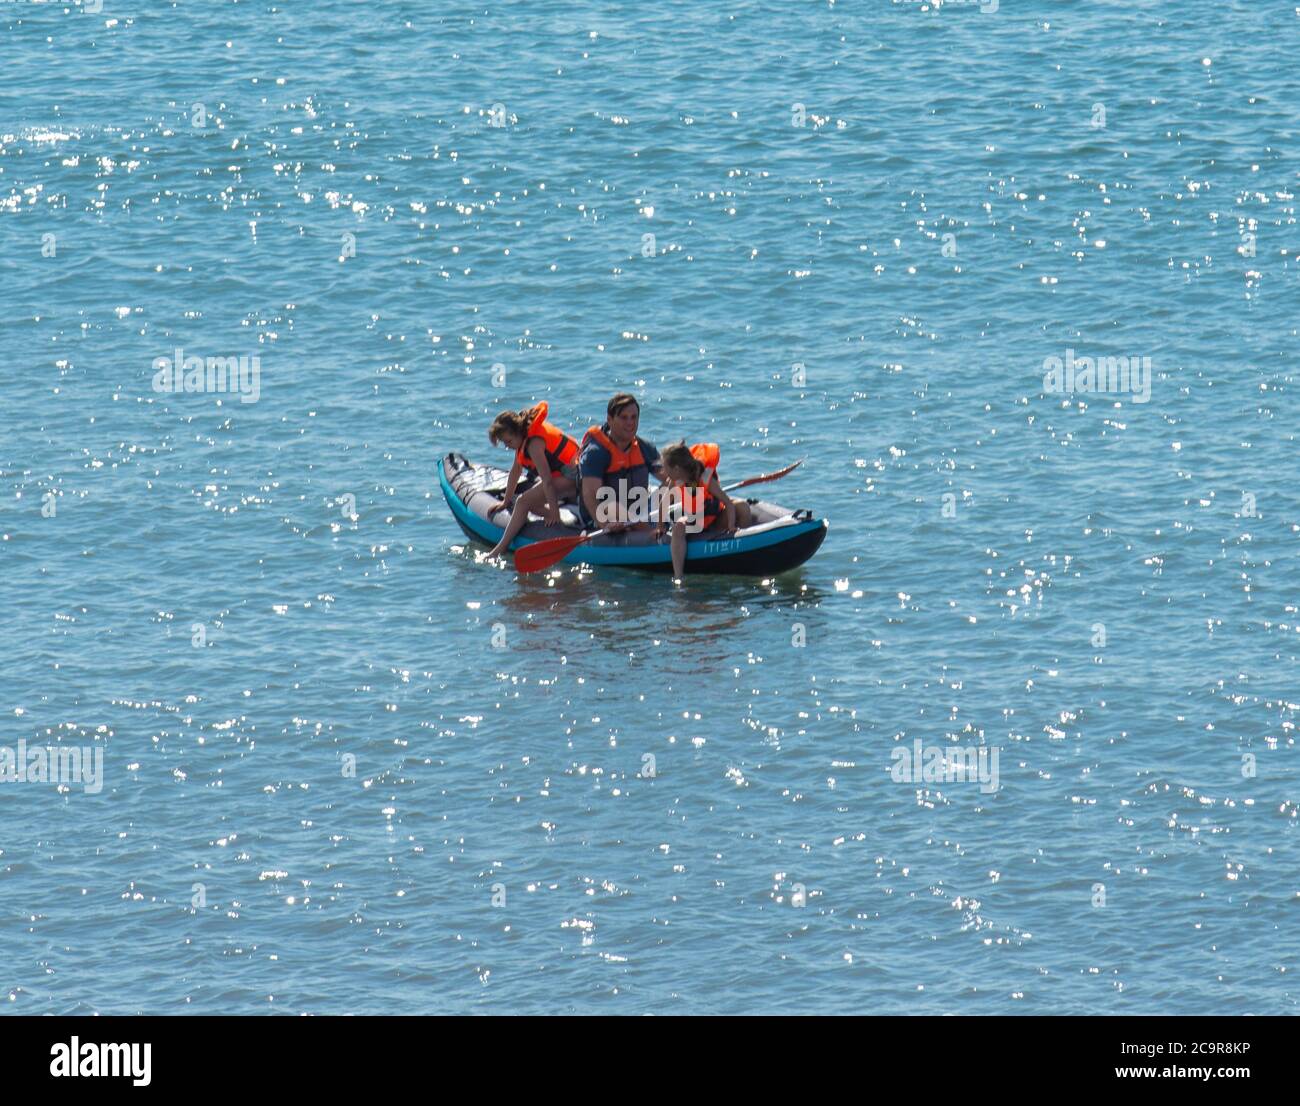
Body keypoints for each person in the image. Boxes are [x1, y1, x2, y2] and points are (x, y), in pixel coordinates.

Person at [485, 401, 580, 558]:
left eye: (508, 441)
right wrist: (505, 501)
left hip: (574, 478)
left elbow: (547, 480)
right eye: (504, 443)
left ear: (518, 432)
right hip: (563, 477)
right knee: (520, 502)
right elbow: (516, 471)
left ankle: (498, 550)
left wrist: (554, 513)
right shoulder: (523, 440)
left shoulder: (534, 444)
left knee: (522, 502)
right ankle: (552, 513)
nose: (507, 446)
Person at [656, 441, 752, 579]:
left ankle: (744, 550)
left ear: (676, 469)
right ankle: (678, 576)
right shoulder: (675, 482)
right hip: (695, 522)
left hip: (715, 519)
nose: (663, 472)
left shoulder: (705, 479)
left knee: (742, 506)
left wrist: (731, 526)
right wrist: (660, 527)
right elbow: (663, 505)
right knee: (678, 527)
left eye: (665, 468)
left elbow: (728, 504)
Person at [578, 393, 662, 534]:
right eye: (624, 417)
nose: (630, 422)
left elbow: (670, 477)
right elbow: (590, 495)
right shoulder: (596, 452)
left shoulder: (644, 447)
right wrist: (604, 525)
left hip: (637, 511)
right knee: (614, 508)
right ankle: (651, 535)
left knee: (667, 490)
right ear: (610, 420)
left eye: (634, 417)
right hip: (603, 515)